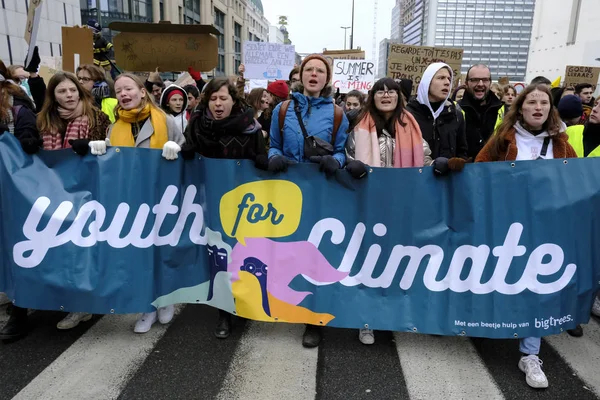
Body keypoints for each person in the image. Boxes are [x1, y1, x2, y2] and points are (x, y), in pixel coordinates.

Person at [476, 83, 577, 389]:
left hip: (546, 230)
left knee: (536, 286)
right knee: (501, 280)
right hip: (505, 226)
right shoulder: (503, 139)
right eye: (531, 102)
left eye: (543, 102)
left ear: (550, 109)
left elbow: (576, 183)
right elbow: (478, 171)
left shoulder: (562, 144)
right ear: (520, 108)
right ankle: (491, 325)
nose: (537, 107)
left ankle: (530, 354)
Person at [268, 54, 349, 348]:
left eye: (320, 71)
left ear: (327, 79)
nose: (314, 74)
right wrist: (274, 157)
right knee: (288, 250)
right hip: (288, 191)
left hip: (321, 192)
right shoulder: (282, 109)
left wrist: (335, 162)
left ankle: (313, 320)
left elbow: (343, 151)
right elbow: (273, 145)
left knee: (315, 254)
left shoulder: (338, 113)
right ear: (301, 76)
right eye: (309, 70)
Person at [94, 73, 184, 333]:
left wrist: (176, 148)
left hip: (162, 197)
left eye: (128, 88)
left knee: (163, 251)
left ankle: (166, 299)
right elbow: (114, 162)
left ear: (142, 92)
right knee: (138, 254)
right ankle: (147, 306)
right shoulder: (115, 126)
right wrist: (104, 149)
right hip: (131, 200)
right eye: (119, 90)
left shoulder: (164, 120)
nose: (123, 93)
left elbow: (184, 146)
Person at [181, 78, 266, 339]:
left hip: (242, 205)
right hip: (208, 204)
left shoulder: (250, 128)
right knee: (218, 257)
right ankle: (224, 313)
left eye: (223, 98)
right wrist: (185, 152)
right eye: (213, 99)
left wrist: (264, 160)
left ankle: (244, 304)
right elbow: (189, 156)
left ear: (233, 101)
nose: (218, 104)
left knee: (240, 256)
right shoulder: (196, 126)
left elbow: (260, 162)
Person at [0, 61, 41, 339]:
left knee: (17, 250)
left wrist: (26, 139)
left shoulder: (17, 107)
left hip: (13, 191)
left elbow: (29, 137)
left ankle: (19, 311)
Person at [405, 63, 468, 165]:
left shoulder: (456, 115)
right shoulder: (407, 115)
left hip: (447, 178)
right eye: (441, 78)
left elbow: (462, 151)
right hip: (417, 176)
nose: (447, 82)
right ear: (427, 82)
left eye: (449, 79)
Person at [458, 64, 503, 158]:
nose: (480, 84)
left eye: (485, 80)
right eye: (474, 80)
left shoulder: (504, 111)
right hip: (462, 170)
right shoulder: (454, 109)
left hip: (493, 170)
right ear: (466, 83)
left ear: (490, 82)